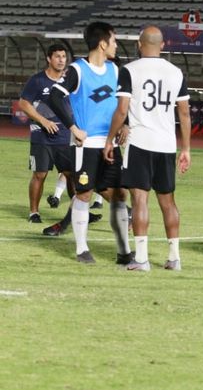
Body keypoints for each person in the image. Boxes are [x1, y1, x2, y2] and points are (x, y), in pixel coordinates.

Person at [103, 26, 191, 272]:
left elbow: (122, 110)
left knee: (140, 199)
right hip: (166, 144)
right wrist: (186, 149)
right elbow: (184, 113)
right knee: (168, 202)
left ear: (140, 45)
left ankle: (141, 259)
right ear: (162, 45)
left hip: (140, 142)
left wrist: (110, 139)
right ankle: (174, 258)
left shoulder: (129, 70)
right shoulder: (176, 72)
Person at [48, 21, 132, 264]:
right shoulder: (77, 70)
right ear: (103, 43)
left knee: (118, 195)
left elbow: (122, 104)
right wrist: (73, 127)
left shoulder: (116, 70)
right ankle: (82, 249)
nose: (116, 45)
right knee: (84, 194)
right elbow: (55, 96)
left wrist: (124, 124)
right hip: (86, 146)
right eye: (114, 40)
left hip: (111, 145)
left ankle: (123, 251)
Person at [18, 44, 72, 223]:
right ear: (49, 59)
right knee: (40, 174)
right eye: (57, 56)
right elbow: (24, 103)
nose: (61, 60)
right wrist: (43, 121)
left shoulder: (70, 79)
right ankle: (34, 212)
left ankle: (76, 213)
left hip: (65, 136)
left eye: (63, 56)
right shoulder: (38, 80)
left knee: (71, 174)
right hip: (42, 137)